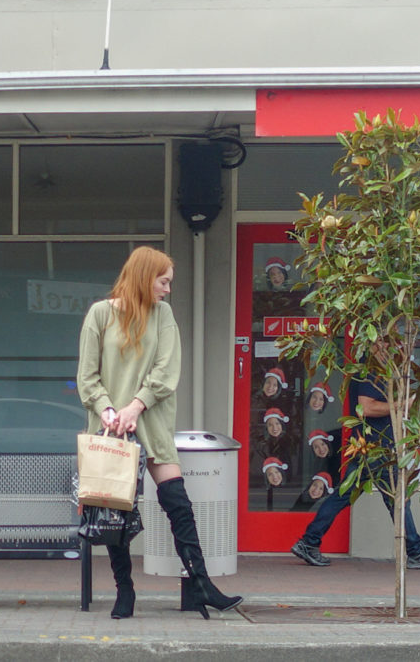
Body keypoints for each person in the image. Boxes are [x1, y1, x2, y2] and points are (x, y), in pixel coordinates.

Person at [77, 246, 242, 620]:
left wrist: (135, 406)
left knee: (179, 505)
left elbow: (167, 372)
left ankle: (202, 585)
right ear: (143, 276)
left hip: (151, 422)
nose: (167, 290)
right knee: (115, 511)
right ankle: (125, 592)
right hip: (109, 430)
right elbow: (87, 378)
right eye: (163, 281)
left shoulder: (162, 315)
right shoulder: (100, 315)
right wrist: (110, 412)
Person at [290, 374, 420, 569]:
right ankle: (416, 551)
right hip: (376, 449)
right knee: (397, 499)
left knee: (346, 496)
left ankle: (309, 541)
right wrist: (402, 404)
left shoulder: (377, 370)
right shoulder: (370, 372)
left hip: (373, 447)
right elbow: (366, 407)